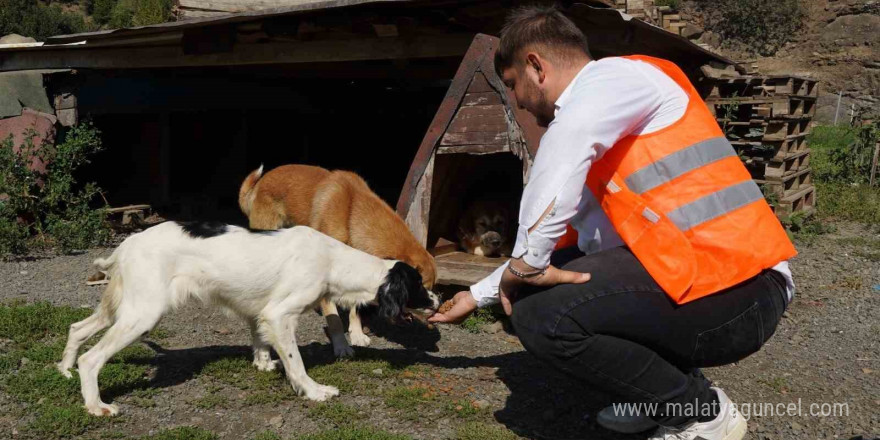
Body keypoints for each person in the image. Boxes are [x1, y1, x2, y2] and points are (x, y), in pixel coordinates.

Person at [428, 6, 797, 440]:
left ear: (535, 66)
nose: (518, 103)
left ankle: (699, 413)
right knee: (546, 282)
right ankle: (658, 396)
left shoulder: (620, 80)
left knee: (542, 316)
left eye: (512, 86)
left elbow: (566, 149)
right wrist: (477, 293)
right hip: (703, 279)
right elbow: (556, 242)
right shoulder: (598, 128)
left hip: (744, 293)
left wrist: (524, 266)